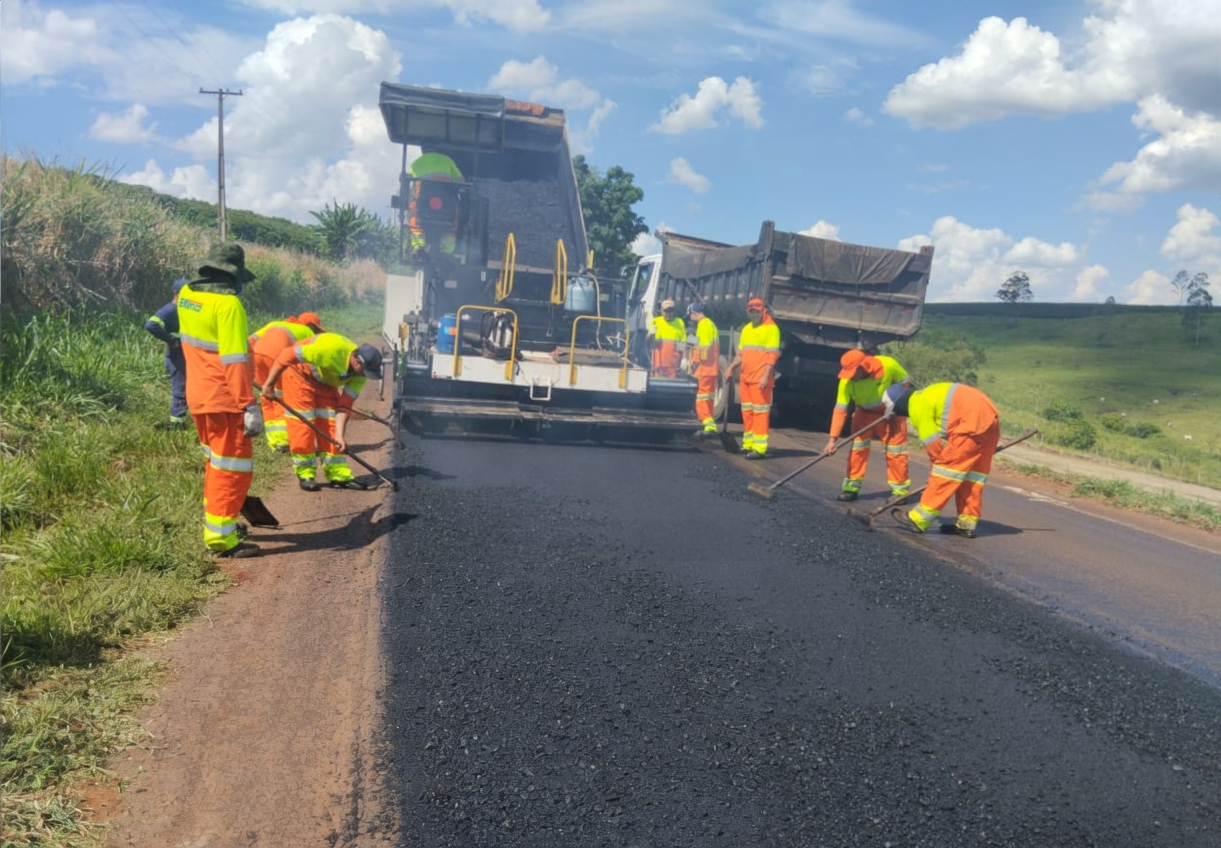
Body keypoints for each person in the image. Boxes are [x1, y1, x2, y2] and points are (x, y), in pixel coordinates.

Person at [176, 243, 263, 559]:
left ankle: (220, 524)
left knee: (216, 465)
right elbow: (234, 359)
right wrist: (247, 405)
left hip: (199, 396)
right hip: (226, 399)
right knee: (233, 469)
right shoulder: (228, 306)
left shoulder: (186, 296)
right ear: (233, 276)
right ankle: (221, 539)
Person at [261, 332, 383, 491]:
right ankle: (305, 474)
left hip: (325, 383)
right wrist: (269, 384)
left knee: (331, 427)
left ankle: (338, 475)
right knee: (302, 426)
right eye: (364, 371)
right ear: (356, 361)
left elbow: (344, 405)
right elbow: (286, 354)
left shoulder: (361, 374)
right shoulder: (329, 351)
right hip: (300, 374)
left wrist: (339, 437)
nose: (364, 376)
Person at [884, 382, 1001, 539]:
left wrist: (937, 471)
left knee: (944, 473)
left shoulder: (916, 405)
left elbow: (933, 446)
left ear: (900, 403)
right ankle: (967, 523)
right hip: (990, 421)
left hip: (969, 426)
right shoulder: (928, 394)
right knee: (973, 478)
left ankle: (918, 519)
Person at [824, 349, 912, 502]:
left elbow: (905, 382)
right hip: (864, 413)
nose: (850, 376)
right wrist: (832, 440)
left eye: (852, 372)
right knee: (858, 450)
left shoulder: (888, 365)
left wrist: (896, 405)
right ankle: (851, 488)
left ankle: (900, 492)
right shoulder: (846, 382)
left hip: (892, 414)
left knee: (895, 452)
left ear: (863, 366)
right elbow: (840, 410)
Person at [249, 312, 324, 453]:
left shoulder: (275, 323)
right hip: (277, 359)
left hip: (256, 356)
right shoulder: (307, 332)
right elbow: (308, 358)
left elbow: (250, 340)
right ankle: (283, 442)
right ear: (311, 326)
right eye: (316, 328)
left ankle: (273, 440)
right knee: (279, 397)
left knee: (266, 395)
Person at [724, 297, 780, 459]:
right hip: (746, 377)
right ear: (748, 313)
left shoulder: (771, 329)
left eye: (757, 311)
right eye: (751, 312)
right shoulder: (747, 329)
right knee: (747, 412)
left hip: (760, 379)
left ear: (763, 311)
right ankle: (748, 444)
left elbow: (772, 355)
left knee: (760, 413)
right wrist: (730, 368)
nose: (754, 314)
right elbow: (741, 355)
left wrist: (765, 376)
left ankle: (760, 448)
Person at [144, 277, 190, 430]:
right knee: (180, 391)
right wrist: (172, 340)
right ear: (177, 293)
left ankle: (181, 421)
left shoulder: (185, 310)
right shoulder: (170, 310)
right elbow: (151, 325)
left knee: (188, 390)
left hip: (185, 356)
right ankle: (176, 426)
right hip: (176, 357)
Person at [408, 150, 464, 255]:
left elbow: (411, 183)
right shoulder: (447, 160)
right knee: (455, 214)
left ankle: (418, 246)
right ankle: (447, 250)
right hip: (446, 205)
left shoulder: (415, 163)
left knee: (413, 214)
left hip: (422, 203)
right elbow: (461, 181)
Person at [687, 302, 720, 439]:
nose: (690, 319)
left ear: (694, 313)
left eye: (690, 316)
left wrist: (694, 362)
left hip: (704, 369)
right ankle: (709, 425)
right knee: (708, 399)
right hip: (711, 368)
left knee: (701, 399)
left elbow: (704, 347)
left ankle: (708, 426)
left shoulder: (704, 325)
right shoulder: (710, 324)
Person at [648, 298, 686, 378]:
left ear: (674, 311)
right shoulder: (656, 321)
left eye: (671, 311)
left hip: (672, 365)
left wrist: (684, 358)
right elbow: (647, 342)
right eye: (666, 311)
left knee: (670, 387)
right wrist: (650, 334)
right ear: (661, 311)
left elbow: (682, 343)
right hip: (657, 364)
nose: (668, 313)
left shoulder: (679, 323)